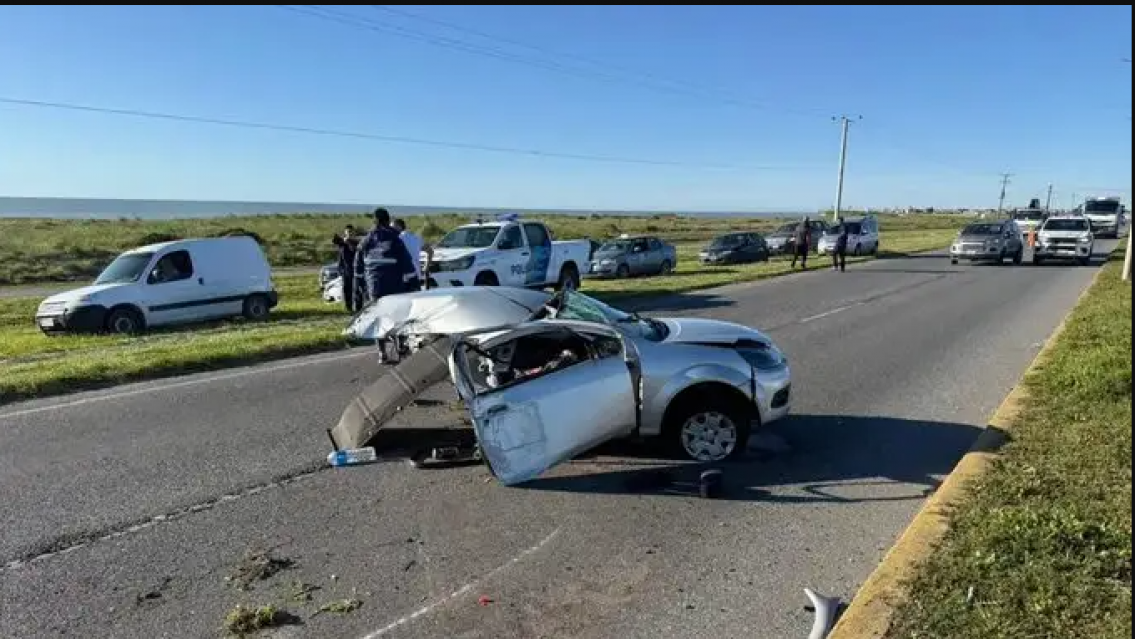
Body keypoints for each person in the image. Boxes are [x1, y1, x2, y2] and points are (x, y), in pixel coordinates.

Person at [354, 207, 416, 306]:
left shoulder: (365, 241)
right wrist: (414, 285)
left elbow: (358, 268)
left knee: (377, 315)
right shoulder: (395, 240)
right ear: (388, 220)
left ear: (374, 221)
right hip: (394, 289)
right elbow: (407, 264)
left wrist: (359, 287)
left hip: (374, 288)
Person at [332, 226, 361, 313]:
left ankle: (358, 308)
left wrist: (350, 243)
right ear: (345, 233)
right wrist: (340, 269)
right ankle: (349, 308)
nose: (349, 234)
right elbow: (335, 242)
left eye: (351, 232)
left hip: (356, 270)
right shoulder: (343, 243)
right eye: (347, 232)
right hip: (346, 270)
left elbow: (356, 251)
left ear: (354, 233)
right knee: (347, 289)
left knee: (357, 290)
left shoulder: (357, 243)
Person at [392, 218, 425, 292]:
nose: (390, 229)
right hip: (417, 275)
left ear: (398, 226)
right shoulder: (417, 237)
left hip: (403, 277)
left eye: (392, 227)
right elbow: (430, 251)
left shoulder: (396, 239)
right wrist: (427, 267)